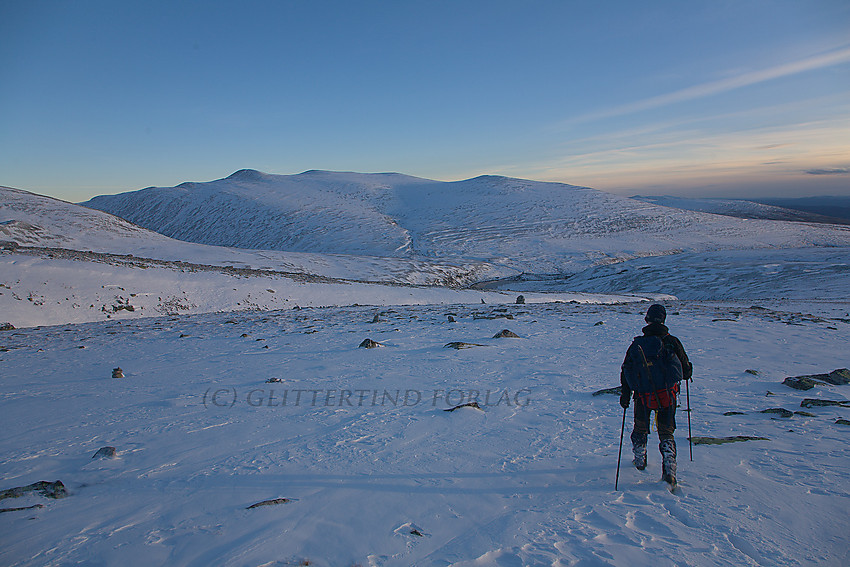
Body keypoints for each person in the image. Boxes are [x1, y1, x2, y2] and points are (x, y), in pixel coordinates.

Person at [619, 304, 692, 485]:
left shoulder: (637, 344)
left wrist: (625, 395)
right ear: (664, 319)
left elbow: (626, 371)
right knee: (666, 431)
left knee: (640, 427)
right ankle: (669, 465)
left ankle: (639, 459)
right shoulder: (672, 342)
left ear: (647, 320)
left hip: (642, 396)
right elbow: (685, 371)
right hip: (667, 394)